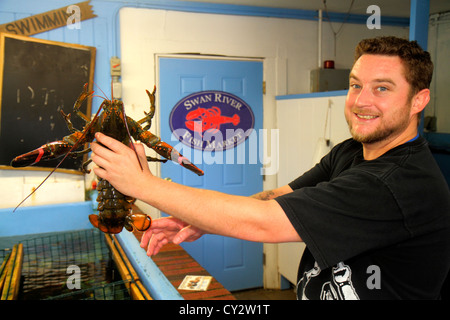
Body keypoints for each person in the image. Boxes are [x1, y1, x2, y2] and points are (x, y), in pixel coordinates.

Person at [91, 36, 450, 300]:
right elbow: (273, 200)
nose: (360, 101)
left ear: (419, 99)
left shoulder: (399, 184)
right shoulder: (352, 152)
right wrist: (197, 220)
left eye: (382, 88)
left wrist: (142, 185)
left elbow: (264, 223)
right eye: (355, 85)